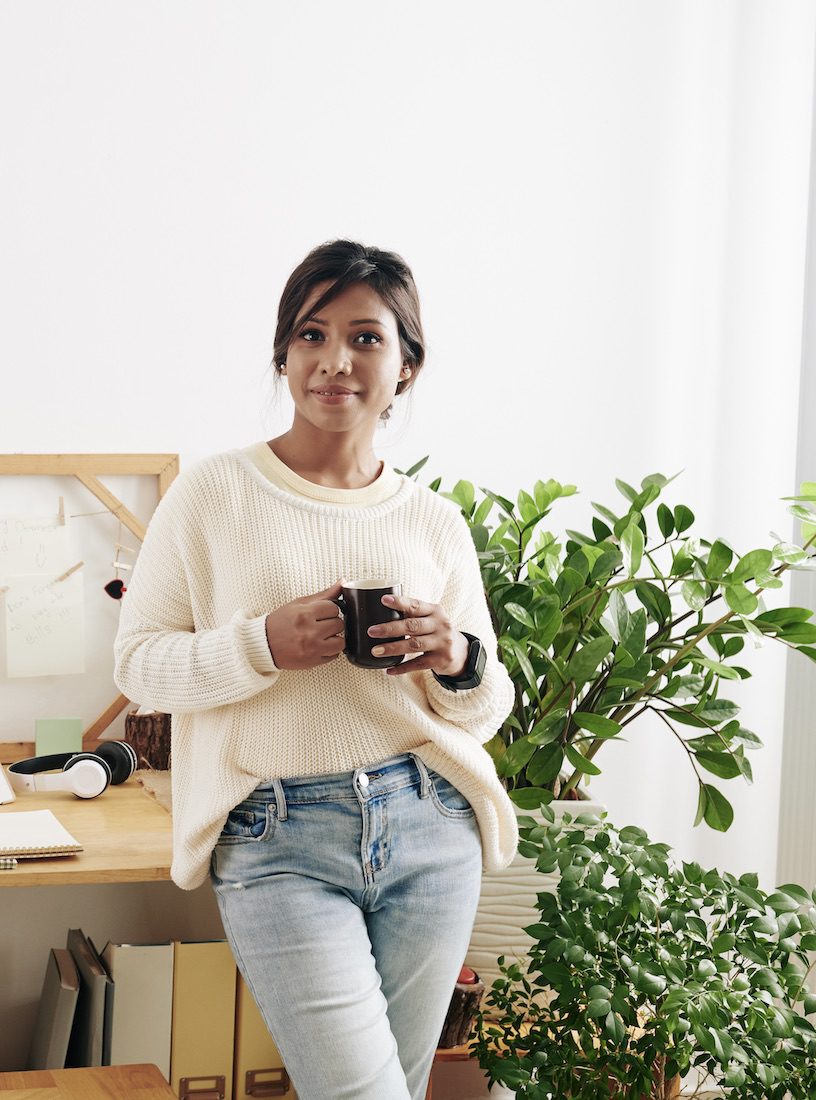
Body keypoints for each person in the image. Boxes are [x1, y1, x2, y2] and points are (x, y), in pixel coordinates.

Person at [113, 238, 519, 1100]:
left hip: (428, 821)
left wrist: (454, 655)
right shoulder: (213, 494)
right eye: (311, 334)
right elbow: (140, 666)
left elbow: (484, 708)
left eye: (366, 338)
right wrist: (260, 645)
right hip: (277, 835)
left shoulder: (433, 520)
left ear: (406, 365)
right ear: (284, 353)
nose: (335, 361)